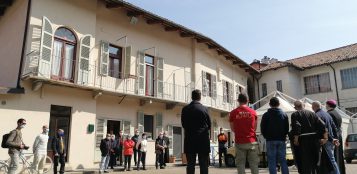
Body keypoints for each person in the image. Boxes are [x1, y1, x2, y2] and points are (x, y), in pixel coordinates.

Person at [290, 100, 326, 174]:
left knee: (305, 163)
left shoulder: (295, 114)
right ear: (304, 105)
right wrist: (325, 138)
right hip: (314, 141)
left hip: (303, 141)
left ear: (295, 107)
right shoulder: (312, 113)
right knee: (314, 162)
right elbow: (322, 125)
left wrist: (296, 140)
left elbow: (297, 127)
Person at [181, 89, 211, 174]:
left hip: (190, 140)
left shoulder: (185, 109)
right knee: (204, 165)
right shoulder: (205, 109)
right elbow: (209, 125)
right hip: (203, 140)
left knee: (190, 164)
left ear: (191, 97)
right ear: (200, 97)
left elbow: (183, 124)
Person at [229, 93, 259, 174]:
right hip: (251, 141)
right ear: (248, 101)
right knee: (254, 164)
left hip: (240, 142)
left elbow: (233, 129)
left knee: (240, 164)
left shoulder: (233, 113)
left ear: (238, 101)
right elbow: (255, 128)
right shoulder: (253, 112)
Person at [261, 97, 289, 174]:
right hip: (281, 139)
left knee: (271, 160)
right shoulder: (284, 114)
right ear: (279, 104)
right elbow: (287, 128)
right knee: (283, 159)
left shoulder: (266, 115)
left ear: (269, 105)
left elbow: (262, 128)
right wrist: (284, 135)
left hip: (270, 140)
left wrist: (266, 136)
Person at [312, 101, 340, 174]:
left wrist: (329, 138)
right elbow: (334, 127)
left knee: (330, 160)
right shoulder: (327, 114)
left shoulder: (316, 115)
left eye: (312, 106)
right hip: (330, 140)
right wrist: (334, 138)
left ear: (314, 107)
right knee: (330, 160)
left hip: (324, 140)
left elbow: (323, 128)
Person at [326, 99, 346, 174]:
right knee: (339, 155)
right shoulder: (337, 113)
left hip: (333, 137)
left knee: (334, 156)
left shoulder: (329, 114)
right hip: (339, 136)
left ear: (328, 105)